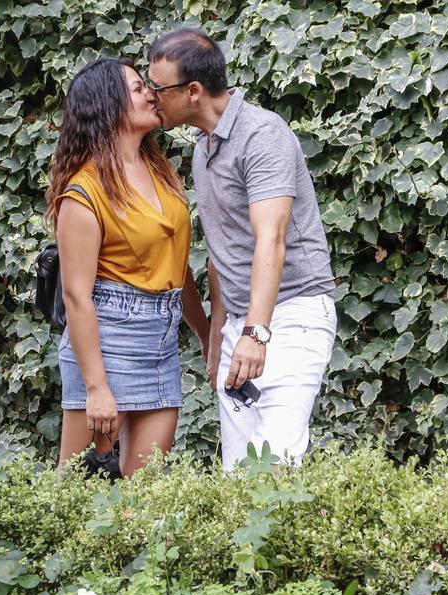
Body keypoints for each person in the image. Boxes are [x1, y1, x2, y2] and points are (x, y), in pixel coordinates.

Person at [146, 29, 337, 470]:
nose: (152, 97)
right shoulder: (203, 148)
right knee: (238, 474)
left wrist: (256, 334)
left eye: (158, 88)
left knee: (273, 466)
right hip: (242, 326)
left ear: (193, 91)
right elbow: (222, 251)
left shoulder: (262, 135)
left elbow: (272, 238)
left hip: (291, 317)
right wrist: (218, 335)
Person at [45, 57, 209, 476]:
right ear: (109, 106)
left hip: (161, 341)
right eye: (138, 89)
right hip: (107, 340)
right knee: (74, 493)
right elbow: (77, 297)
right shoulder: (84, 192)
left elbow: (176, 265)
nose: (151, 94)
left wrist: (205, 335)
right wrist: (97, 389)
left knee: (145, 497)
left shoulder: (160, 171)